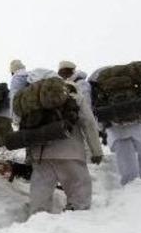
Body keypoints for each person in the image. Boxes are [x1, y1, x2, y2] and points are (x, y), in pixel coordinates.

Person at [25, 71, 104, 213]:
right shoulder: (76, 98)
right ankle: (76, 219)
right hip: (70, 154)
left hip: (41, 154)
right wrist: (96, 151)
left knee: (40, 193)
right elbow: (89, 124)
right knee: (79, 191)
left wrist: (29, 154)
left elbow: (26, 127)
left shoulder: (35, 101)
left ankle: (38, 222)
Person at [89, 66, 141, 186]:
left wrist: (103, 128)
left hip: (116, 129)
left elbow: (97, 112)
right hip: (139, 125)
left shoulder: (97, 81)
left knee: (125, 159)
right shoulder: (133, 84)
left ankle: (130, 185)